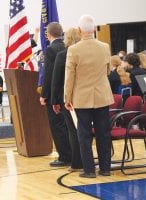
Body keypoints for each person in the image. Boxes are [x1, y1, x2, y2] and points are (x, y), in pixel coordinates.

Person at [64, 15, 114, 178]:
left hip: (81, 97)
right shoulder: (105, 47)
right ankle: (105, 168)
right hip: (102, 96)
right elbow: (107, 70)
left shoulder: (73, 50)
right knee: (103, 133)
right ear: (94, 29)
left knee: (84, 135)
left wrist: (67, 98)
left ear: (79, 31)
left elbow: (69, 77)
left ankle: (89, 170)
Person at [39, 22, 71, 167]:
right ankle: (71, 153)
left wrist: (44, 95)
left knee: (57, 126)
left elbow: (49, 75)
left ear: (48, 34)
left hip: (55, 95)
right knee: (67, 126)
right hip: (67, 92)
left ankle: (64, 156)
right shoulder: (67, 47)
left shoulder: (51, 49)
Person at [51, 28, 83, 172]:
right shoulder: (84, 53)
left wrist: (54, 101)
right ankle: (86, 159)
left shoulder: (63, 55)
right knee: (83, 130)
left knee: (72, 130)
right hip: (84, 97)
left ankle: (77, 162)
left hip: (68, 99)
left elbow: (56, 80)